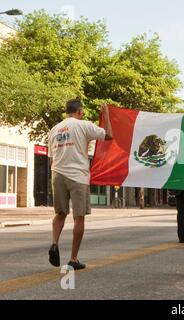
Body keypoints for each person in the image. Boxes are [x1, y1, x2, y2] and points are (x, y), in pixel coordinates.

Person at [48, 99, 113, 270]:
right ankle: (73, 259)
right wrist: (106, 114)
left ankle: (54, 243)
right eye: (82, 111)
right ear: (80, 111)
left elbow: (51, 158)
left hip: (57, 174)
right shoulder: (84, 125)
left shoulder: (54, 130)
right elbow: (108, 135)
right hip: (78, 176)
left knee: (60, 213)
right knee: (79, 217)